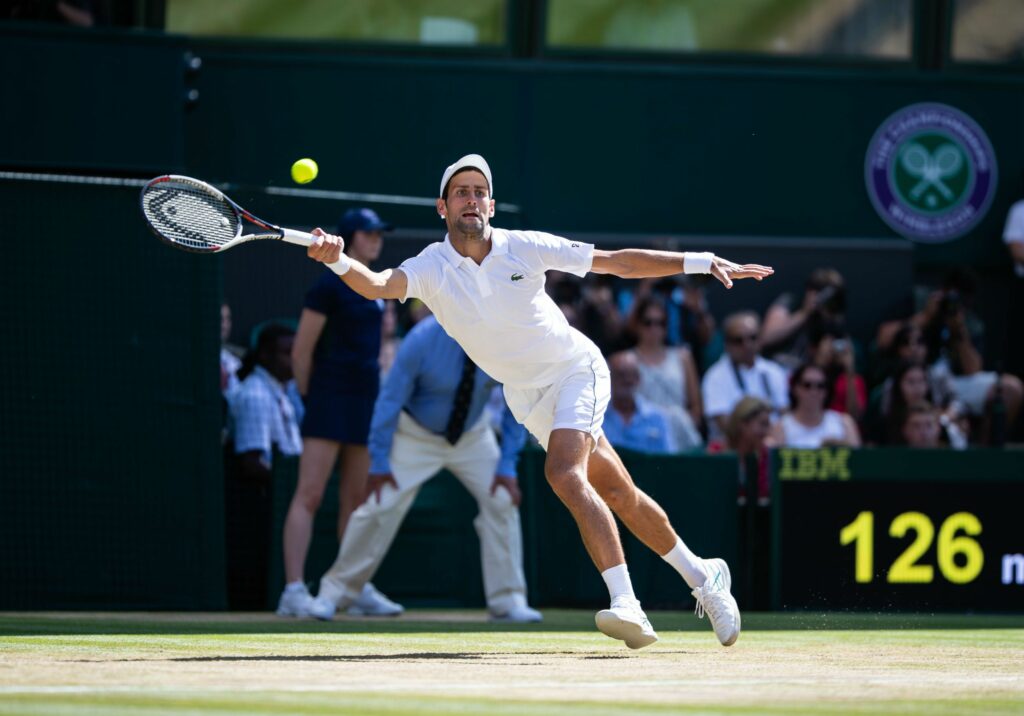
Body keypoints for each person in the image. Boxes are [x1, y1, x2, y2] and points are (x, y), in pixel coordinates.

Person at [304, 153, 773, 649]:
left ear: (491, 203)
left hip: (576, 369)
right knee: (617, 492)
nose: (471, 199)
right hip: (526, 397)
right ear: (442, 207)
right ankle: (704, 576)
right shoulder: (429, 267)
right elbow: (376, 285)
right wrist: (336, 257)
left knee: (563, 473)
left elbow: (615, 263)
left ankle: (627, 606)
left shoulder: (523, 247)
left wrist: (699, 263)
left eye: (479, 191)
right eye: (461, 192)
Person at [308, 315, 539, 622]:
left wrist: (507, 465)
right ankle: (333, 594)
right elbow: (389, 402)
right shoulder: (421, 340)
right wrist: (378, 461)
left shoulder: (504, 339)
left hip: (473, 436)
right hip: (415, 435)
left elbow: (517, 403)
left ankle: (508, 602)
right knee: (380, 505)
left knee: (501, 500)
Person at [276, 207, 397, 617]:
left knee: (355, 503)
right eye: (369, 233)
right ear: (350, 237)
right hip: (329, 398)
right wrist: (313, 399)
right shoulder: (327, 287)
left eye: (379, 234)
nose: (377, 240)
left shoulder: (378, 289)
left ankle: (351, 586)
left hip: (365, 401)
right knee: (309, 495)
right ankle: (293, 590)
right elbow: (302, 351)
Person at [224, 323, 303, 609]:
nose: (294, 358)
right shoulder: (256, 394)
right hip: (259, 511)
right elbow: (251, 463)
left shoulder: (282, 391)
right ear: (265, 357)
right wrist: (288, 486)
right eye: (286, 352)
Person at [625, 295, 703, 449]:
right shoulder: (627, 360)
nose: (654, 329)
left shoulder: (683, 357)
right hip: (643, 438)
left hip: (681, 435)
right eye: (648, 323)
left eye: (660, 323)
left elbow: (695, 406)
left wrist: (683, 425)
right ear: (637, 325)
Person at [701, 311, 789, 442]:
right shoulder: (715, 377)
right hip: (732, 452)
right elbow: (724, 425)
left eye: (752, 338)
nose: (746, 345)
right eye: (738, 340)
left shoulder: (775, 372)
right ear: (727, 344)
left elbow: (785, 415)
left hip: (773, 445)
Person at [761, 267, 847, 370]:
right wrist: (805, 312)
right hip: (776, 367)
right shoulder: (790, 303)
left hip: (806, 377)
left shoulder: (831, 318)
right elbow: (767, 337)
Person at [769, 363, 861, 449]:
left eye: (820, 386)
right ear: (795, 388)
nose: (814, 392)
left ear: (827, 391)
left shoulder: (844, 423)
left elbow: (858, 461)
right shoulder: (781, 427)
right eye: (807, 385)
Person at [603, 351, 678, 454]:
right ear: (609, 379)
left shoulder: (657, 417)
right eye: (621, 375)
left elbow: (668, 461)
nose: (627, 380)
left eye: (632, 375)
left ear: (639, 379)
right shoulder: (597, 418)